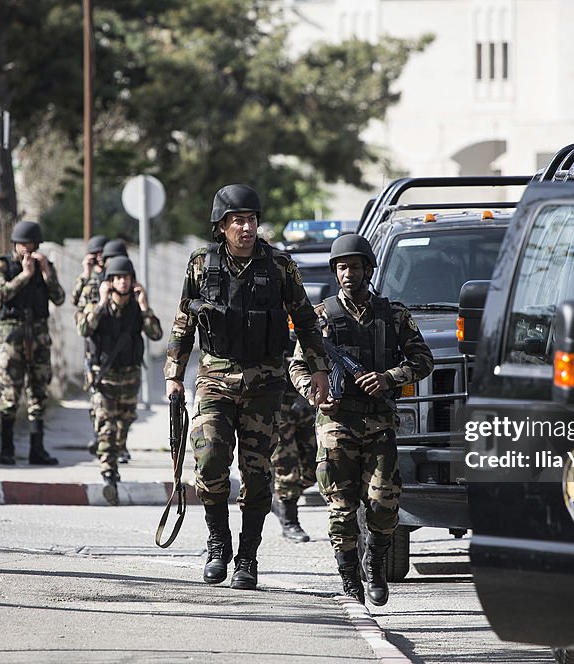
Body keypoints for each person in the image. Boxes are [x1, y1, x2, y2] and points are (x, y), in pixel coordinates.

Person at [164, 183, 329, 591]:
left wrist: (320, 370)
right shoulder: (201, 263)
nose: (246, 227)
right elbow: (185, 319)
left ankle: (248, 557)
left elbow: (306, 321)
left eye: (251, 219)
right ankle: (218, 544)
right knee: (210, 459)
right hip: (215, 381)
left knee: (257, 475)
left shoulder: (279, 266)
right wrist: (173, 373)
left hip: (265, 386)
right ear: (221, 226)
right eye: (237, 220)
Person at [289, 233, 433, 606]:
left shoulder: (394, 314)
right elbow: (297, 366)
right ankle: (349, 575)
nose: (348, 273)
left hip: (379, 422)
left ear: (368, 269)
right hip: (336, 422)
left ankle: (375, 562)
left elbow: (423, 361)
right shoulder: (319, 318)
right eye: (341, 267)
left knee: (384, 504)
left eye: (355, 266)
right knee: (341, 506)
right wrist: (316, 394)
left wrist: (389, 378)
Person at [78, 256, 162, 505]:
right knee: (106, 427)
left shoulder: (137, 307)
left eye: (126, 278)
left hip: (129, 376)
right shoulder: (99, 305)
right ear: (110, 282)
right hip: (104, 378)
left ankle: (114, 462)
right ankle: (108, 476)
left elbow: (155, 334)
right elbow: (84, 329)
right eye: (117, 278)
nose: (122, 282)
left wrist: (145, 305)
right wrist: (102, 303)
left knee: (124, 425)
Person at [0, 220, 65, 466]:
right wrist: (25, 275)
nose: (27, 248)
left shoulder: (45, 266)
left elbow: (60, 298)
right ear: (15, 244)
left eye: (31, 244)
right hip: (12, 337)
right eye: (23, 244)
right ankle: (7, 448)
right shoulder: (2, 264)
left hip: (39, 336)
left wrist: (46, 273)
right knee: (10, 394)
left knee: (38, 392)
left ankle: (37, 448)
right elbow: (1, 294)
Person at [270, 356, 318, 542]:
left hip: (307, 401)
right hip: (277, 403)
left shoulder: (310, 327)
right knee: (286, 464)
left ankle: (279, 500)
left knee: (315, 467)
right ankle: (290, 521)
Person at [70, 234, 108, 311]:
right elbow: (74, 300)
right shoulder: (86, 277)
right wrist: (86, 272)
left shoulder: (113, 277)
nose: (100, 256)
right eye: (96, 253)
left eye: (102, 253)